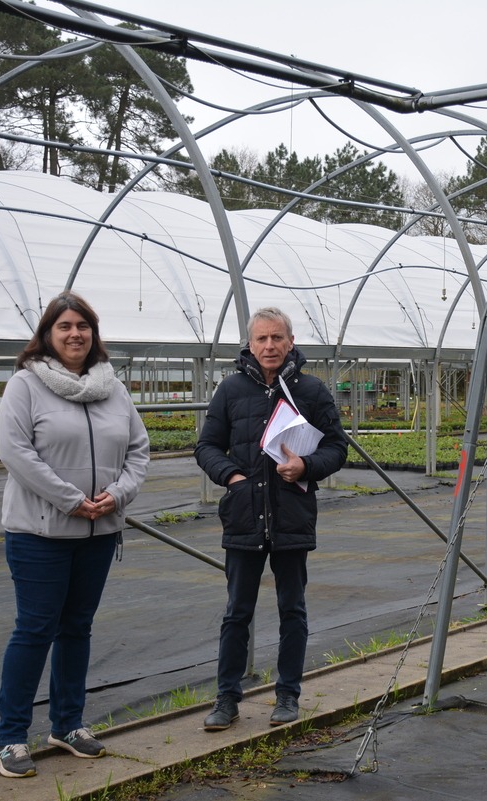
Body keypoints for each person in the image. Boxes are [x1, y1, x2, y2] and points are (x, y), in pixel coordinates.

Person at [0, 292, 150, 779]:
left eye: (83, 325)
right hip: (40, 534)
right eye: (65, 326)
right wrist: (70, 499)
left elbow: (139, 450)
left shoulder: (113, 389)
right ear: (47, 335)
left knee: (77, 627)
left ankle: (67, 725)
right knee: (35, 630)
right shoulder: (25, 385)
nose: (75, 333)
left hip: (99, 532)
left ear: (93, 334)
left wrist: (116, 495)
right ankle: (10, 738)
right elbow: (15, 452)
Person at [196, 307, 347, 730]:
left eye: (277, 338)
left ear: (290, 341)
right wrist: (233, 476)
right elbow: (206, 446)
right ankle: (226, 699)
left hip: (291, 514)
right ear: (250, 343)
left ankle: (287, 695)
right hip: (244, 513)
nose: (269, 346)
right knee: (236, 612)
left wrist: (307, 466)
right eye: (261, 339)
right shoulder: (230, 390)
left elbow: (337, 448)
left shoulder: (312, 391)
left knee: (292, 609)